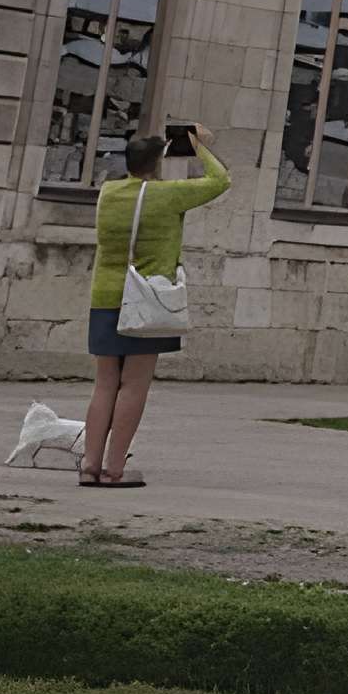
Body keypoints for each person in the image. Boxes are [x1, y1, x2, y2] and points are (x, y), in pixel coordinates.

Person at [82, 121, 227, 488]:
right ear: (158, 163)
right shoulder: (166, 195)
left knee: (104, 384)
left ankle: (89, 464)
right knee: (133, 385)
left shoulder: (108, 192)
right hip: (147, 298)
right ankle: (115, 468)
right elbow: (220, 180)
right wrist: (198, 146)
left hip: (105, 295)